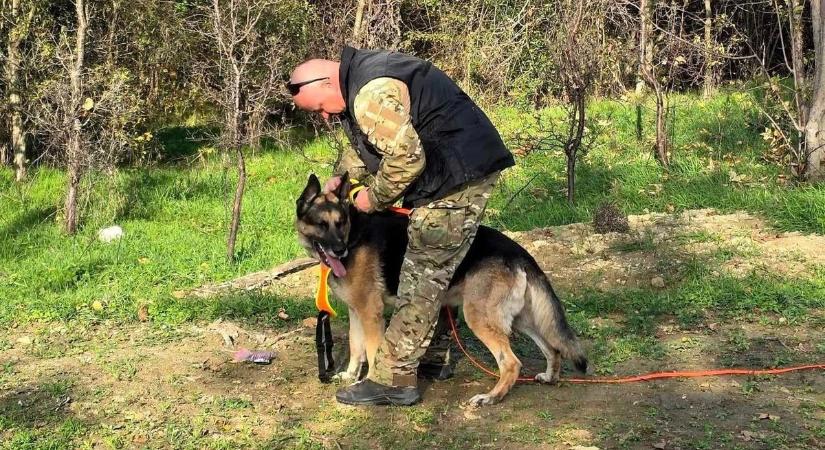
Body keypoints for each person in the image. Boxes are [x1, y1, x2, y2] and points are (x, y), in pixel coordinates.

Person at [287, 46, 514, 406]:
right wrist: (341, 180)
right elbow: (377, 147)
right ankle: (434, 359)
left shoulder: (368, 93)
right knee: (435, 272)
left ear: (325, 82)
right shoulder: (361, 79)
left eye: (319, 108)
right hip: (453, 172)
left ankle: (393, 378)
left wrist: (371, 199)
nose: (325, 118)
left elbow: (407, 158)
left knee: (421, 277)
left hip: (456, 178)